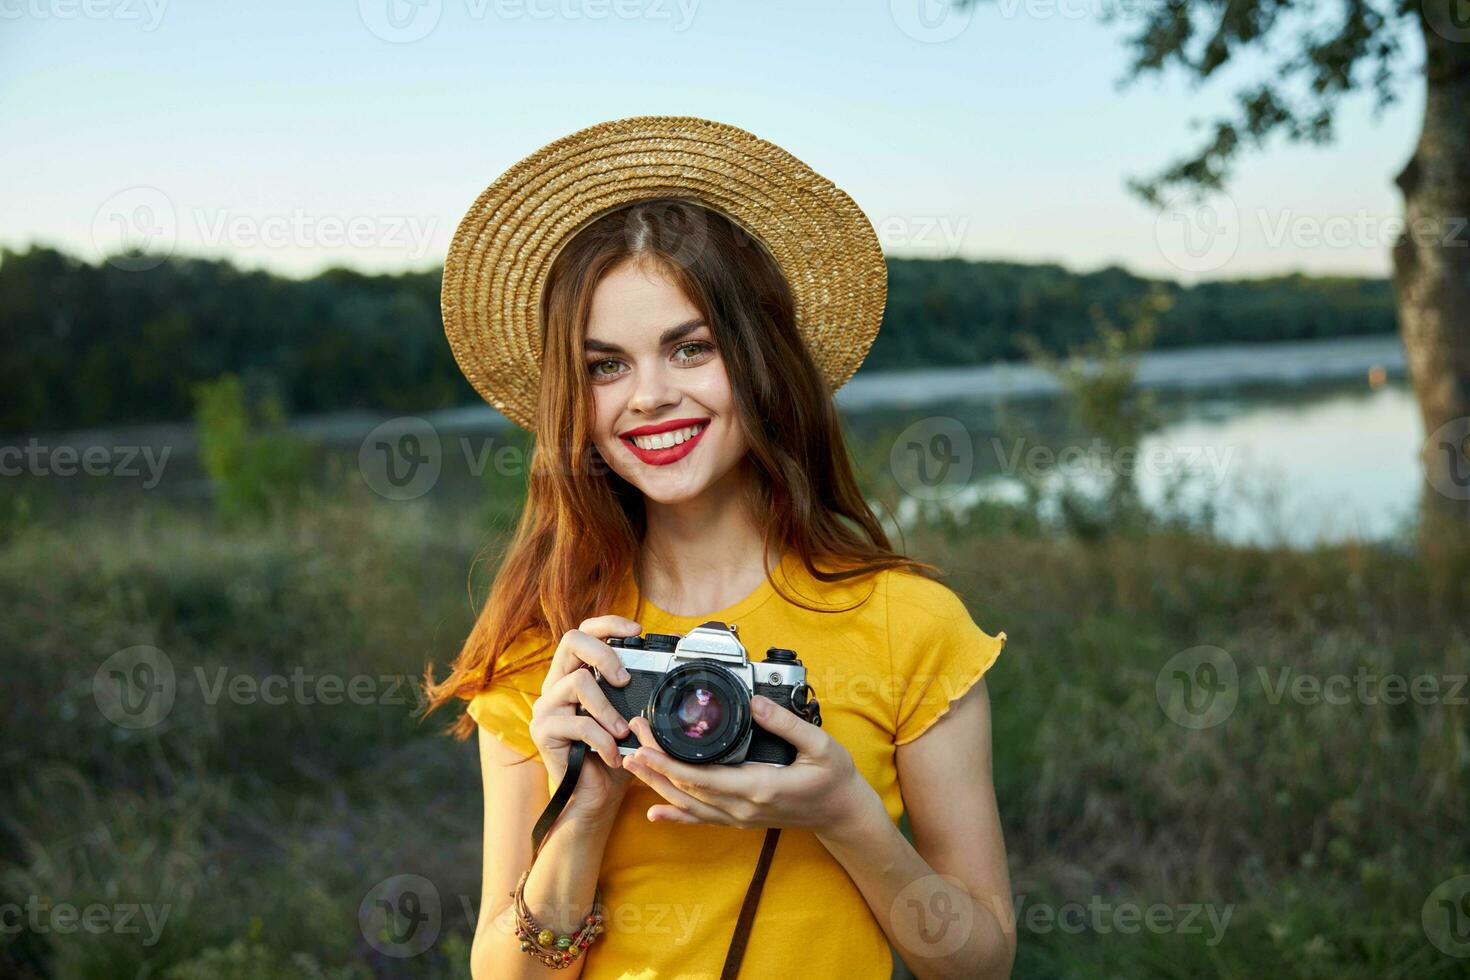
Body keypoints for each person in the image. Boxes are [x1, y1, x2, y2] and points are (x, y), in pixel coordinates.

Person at [424, 116, 1014, 980]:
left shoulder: (910, 623)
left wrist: (844, 813)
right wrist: (581, 813)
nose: (651, 397)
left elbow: (981, 962)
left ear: (759, 361)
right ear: (571, 400)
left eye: (690, 348)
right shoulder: (546, 644)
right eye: (604, 366)